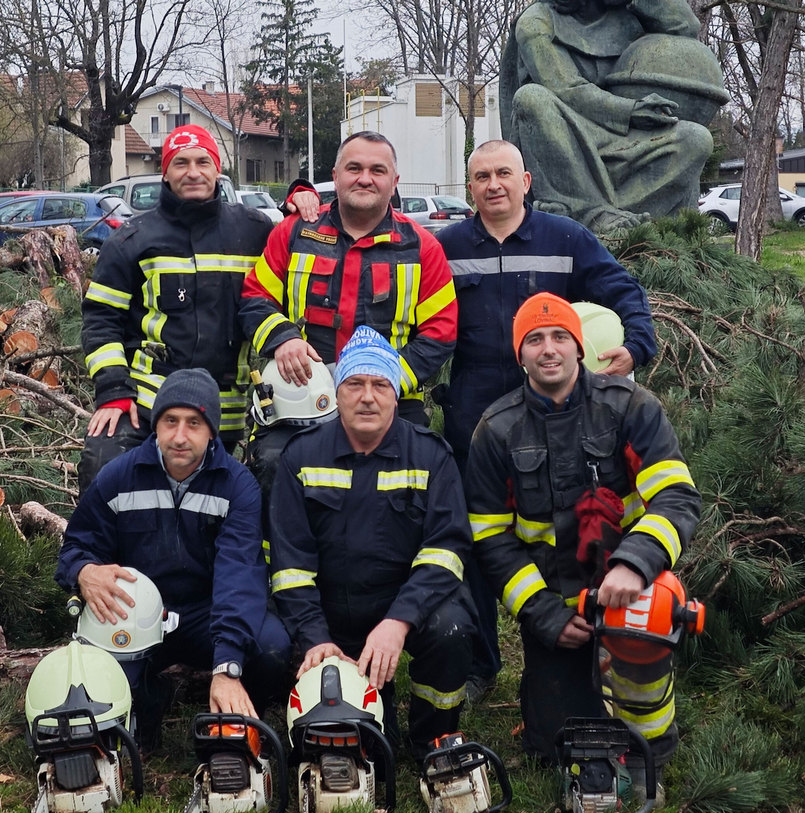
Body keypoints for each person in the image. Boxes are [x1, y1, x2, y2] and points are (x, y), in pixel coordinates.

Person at [436, 138, 658, 698]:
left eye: (503, 173)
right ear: (469, 188)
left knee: (572, 530)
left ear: (526, 180)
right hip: (478, 420)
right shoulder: (449, 246)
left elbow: (620, 288)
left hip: (562, 419)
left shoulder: (566, 238)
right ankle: (481, 665)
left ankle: (589, 638)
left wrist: (637, 344)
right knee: (480, 540)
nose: (493, 185)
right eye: (482, 176)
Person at [465, 293, 699, 771]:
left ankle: (648, 750)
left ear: (578, 347)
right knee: (556, 748)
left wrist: (635, 564)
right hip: (555, 603)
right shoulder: (497, 429)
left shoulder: (631, 407)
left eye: (559, 337)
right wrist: (543, 614)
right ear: (520, 354)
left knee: (650, 620)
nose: (548, 349)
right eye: (534, 339)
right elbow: (489, 539)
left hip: (630, 593)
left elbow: (677, 497)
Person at [56, 369, 293, 751]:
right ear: (156, 425)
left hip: (209, 612)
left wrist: (228, 665)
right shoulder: (120, 475)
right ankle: (148, 699)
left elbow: (240, 575)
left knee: (270, 648)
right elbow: (76, 545)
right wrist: (83, 572)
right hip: (139, 615)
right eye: (170, 421)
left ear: (212, 431)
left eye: (194, 424)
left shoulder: (237, 485)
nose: (180, 436)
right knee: (107, 686)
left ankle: (238, 717)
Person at [267, 327, 473, 761]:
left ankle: (431, 741)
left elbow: (447, 550)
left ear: (396, 396)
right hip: (327, 614)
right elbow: (289, 564)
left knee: (452, 627)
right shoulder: (301, 457)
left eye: (380, 385)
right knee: (269, 641)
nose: (367, 397)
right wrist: (315, 637)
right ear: (336, 394)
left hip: (405, 609)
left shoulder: (431, 455)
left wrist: (400, 620)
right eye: (354, 384)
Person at [78, 124, 320, 486]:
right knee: (103, 465)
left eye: (202, 161)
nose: (193, 172)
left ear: (217, 168)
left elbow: (316, 238)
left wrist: (299, 197)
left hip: (227, 409)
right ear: (165, 172)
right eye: (181, 163)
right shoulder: (131, 239)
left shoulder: (253, 230)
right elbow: (101, 321)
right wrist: (113, 391)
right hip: (148, 403)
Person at [241, 131, 457, 484]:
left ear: (395, 181)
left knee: (410, 480)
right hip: (302, 396)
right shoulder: (295, 232)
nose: (365, 178)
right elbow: (255, 297)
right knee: (273, 468)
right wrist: (283, 339)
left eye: (377, 170)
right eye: (354, 168)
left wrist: (384, 381)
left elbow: (441, 331)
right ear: (336, 174)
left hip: (393, 400)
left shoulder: (423, 248)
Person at [500, 0, 718, 233]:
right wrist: (630, 111)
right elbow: (566, 87)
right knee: (531, 98)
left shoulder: (629, 13)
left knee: (697, 139)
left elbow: (686, 26)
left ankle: (637, 221)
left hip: (628, 138)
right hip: (569, 136)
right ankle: (592, 213)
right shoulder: (536, 20)